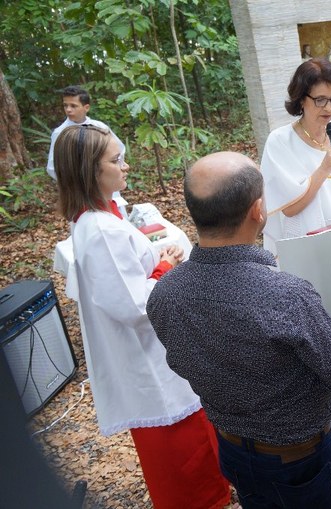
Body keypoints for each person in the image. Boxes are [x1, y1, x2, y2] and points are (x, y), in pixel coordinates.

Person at [147, 151, 331, 509]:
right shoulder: (286, 296)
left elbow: (181, 362)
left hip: (232, 449)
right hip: (301, 460)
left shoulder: (165, 293)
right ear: (258, 211)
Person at [52, 125, 231, 509]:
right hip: (150, 364)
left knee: (194, 457)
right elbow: (134, 306)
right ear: (90, 170)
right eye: (116, 160)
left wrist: (157, 261)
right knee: (186, 464)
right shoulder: (100, 230)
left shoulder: (97, 218)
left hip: (152, 356)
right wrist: (165, 268)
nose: (126, 166)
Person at [261, 58, 331, 254]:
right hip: (307, 247)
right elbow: (289, 209)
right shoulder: (280, 142)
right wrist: (323, 170)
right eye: (320, 100)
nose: (329, 108)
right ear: (301, 99)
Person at [47, 85, 127, 213]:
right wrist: (79, 181)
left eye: (73, 106)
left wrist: (112, 171)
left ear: (86, 107)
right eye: (65, 105)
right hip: (81, 193)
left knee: (116, 217)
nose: (68, 110)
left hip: (107, 186)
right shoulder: (61, 133)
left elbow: (119, 151)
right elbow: (53, 167)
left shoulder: (99, 127)